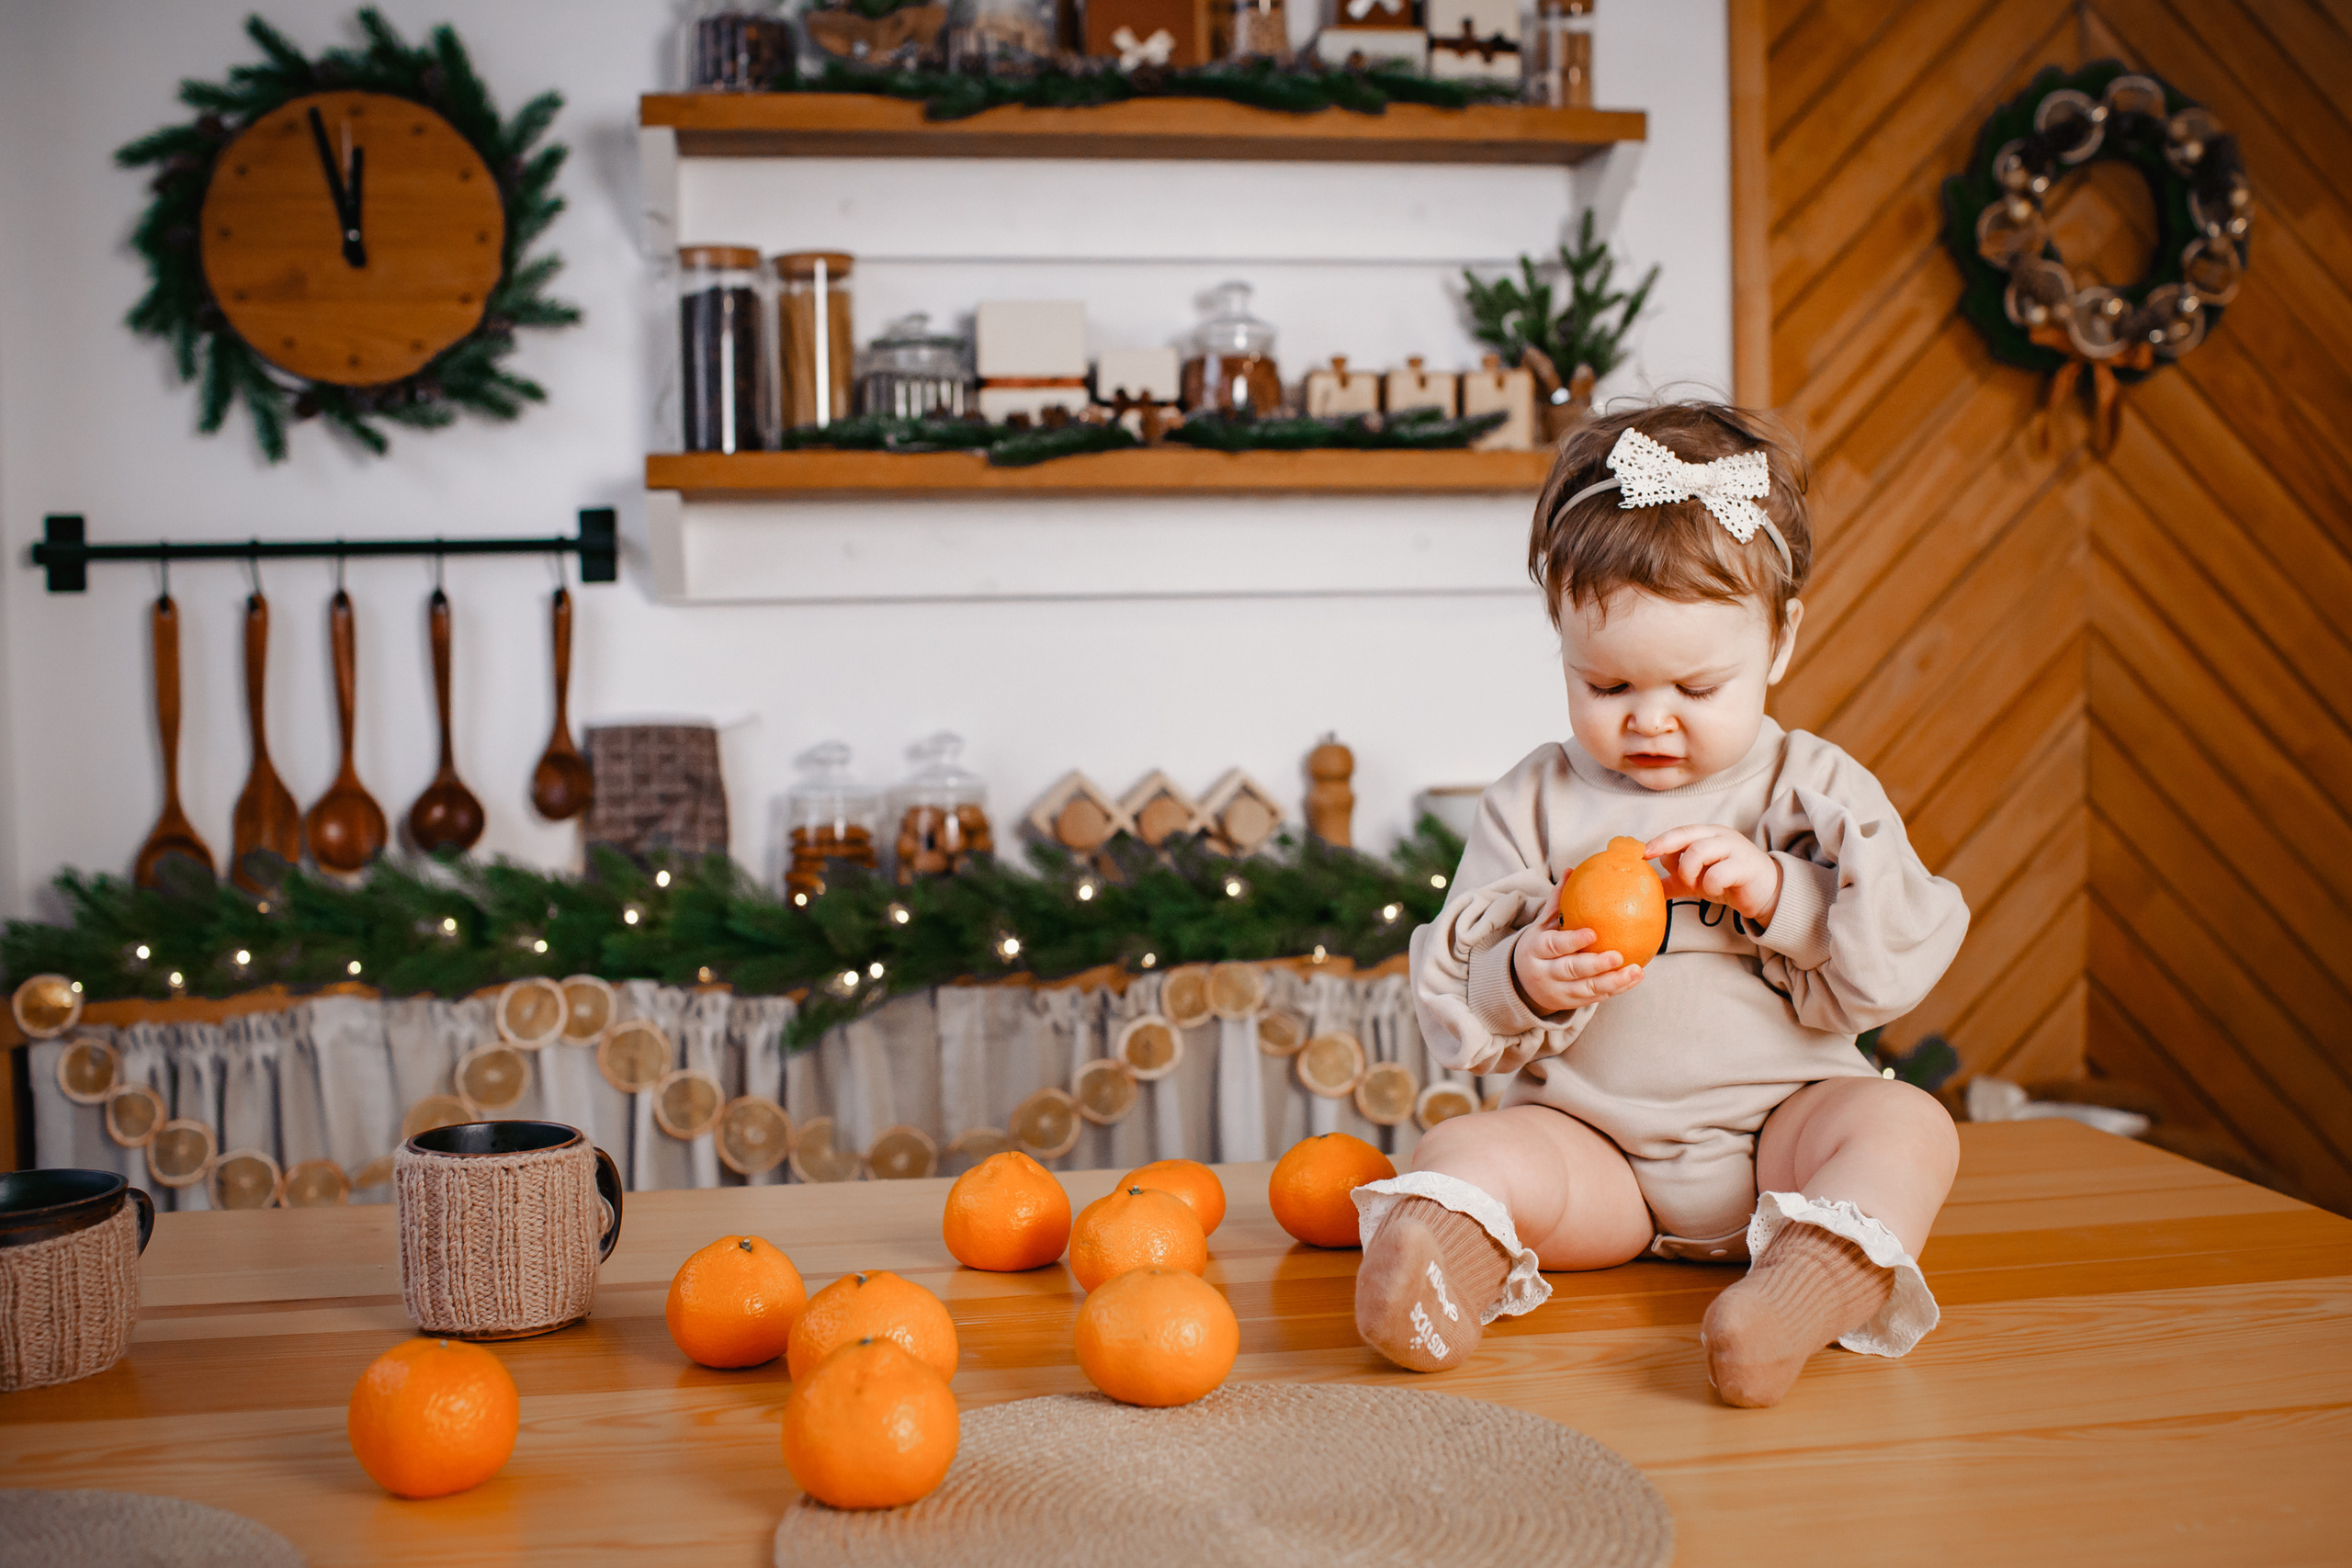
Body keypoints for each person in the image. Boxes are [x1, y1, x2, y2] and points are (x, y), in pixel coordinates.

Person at [1355, 400, 1969, 1407]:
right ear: (1560, 643)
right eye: (1604, 685)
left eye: (1696, 686)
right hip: (1596, 1156)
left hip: (1786, 1142)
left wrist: (1782, 895)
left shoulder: (1811, 793)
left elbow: (1890, 961)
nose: (1649, 720)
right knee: (1466, 1148)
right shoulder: (1535, 801)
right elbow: (1457, 991)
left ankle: (1796, 1295)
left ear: (1779, 644)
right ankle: (1435, 1273)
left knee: (1906, 1126)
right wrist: (1523, 972)